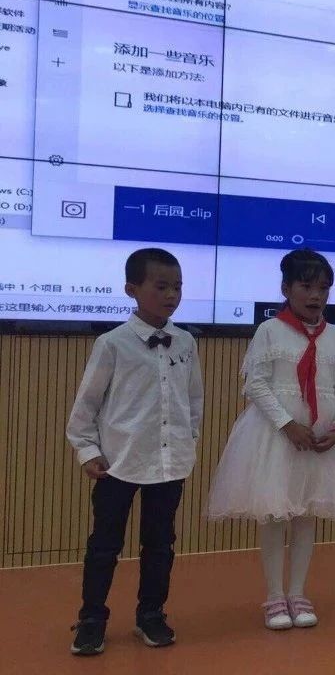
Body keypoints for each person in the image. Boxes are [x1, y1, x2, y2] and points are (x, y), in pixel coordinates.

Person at [207, 249, 335, 628]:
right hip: (277, 439)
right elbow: (256, 384)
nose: (315, 295)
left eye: (323, 288)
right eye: (306, 286)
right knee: (276, 514)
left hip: (320, 440)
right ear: (286, 288)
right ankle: (275, 596)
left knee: (306, 515)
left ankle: (298, 592)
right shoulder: (270, 331)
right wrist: (286, 424)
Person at [67, 248, 203, 655]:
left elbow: (193, 400)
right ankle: (92, 619)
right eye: (161, 286)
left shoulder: (186, 342)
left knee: (160, 543)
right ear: (132, 289)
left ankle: (151, 614)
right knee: (105, 545)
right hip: (119, 462)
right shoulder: (112, 344)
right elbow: (87, 403)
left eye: (177, 287)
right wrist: (87, 450)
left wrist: (188, 439)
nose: (171, 295)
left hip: (169, 462)